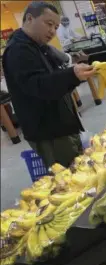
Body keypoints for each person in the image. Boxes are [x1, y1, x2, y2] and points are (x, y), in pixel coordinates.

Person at [2, 2, 96, 168]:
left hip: (61, 125)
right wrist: (72, 74)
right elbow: (39, 85)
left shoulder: (38, 46)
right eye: (49, 24)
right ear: (30, 18)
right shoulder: (18, 50)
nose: (53, 31)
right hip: (49, 132)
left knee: (79, 168)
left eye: (56, 26)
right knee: (69, 176)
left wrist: (71, 71)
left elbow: (54, 76)